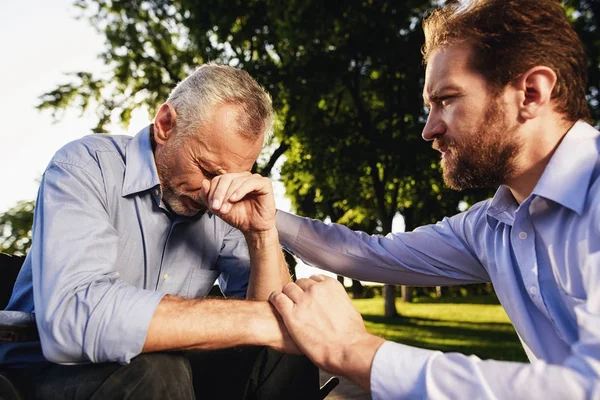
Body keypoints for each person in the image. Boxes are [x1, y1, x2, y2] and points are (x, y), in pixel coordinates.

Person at [264, 0, 600, 398]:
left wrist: (355, 351)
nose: (429, 130)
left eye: (446, 100)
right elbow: (366, 254)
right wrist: (265, 214)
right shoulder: (490, 226)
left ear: (530, 92)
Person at [0, 64, 319, 399]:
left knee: (287, 354)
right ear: (166, 124)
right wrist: (254, 321)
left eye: (229, 178)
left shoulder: (220, 202)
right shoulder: (86, 166)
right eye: (207, 170)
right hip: (47, 371)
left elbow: (276, 322)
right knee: (159, 371)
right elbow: (76, 317)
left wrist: (261, 233)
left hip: (165, 367)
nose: (213, 196)